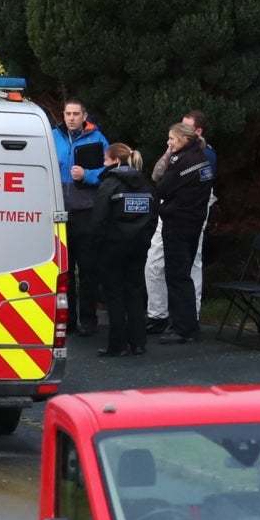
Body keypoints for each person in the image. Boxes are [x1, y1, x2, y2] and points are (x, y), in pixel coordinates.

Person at [145, 109, 216, 334]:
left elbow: (163, 185)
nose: (170, 142)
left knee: (183, 271)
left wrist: (164, 207)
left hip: (181, 220)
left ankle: (185, 322)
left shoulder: (195, 158)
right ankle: (167, 317)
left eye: (174, 137)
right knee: (164, 267)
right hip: (184, 218)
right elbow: (158, 175)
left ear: (194, 133)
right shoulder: (186, 156)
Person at [87, 143, 157, 357]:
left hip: (112, 248)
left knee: (114, 295)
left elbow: (98, 219)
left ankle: (117, 345)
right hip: (138, 247)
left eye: (106, 160)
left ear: (115, 161)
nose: (103, 164)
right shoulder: (145, 184)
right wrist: (144, 239)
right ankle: (138, 342)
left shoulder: (109, 184)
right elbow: (153, 217)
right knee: (135, 292)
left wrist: (96, 246)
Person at [52, 100, 108, 334]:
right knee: (63, 269)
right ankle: (68, 319)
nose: (72, 118)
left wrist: (87, 175)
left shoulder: (97, 138)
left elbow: (108, 170)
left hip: (86, 210)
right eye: (68, 113)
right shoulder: (53, 136)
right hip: (59, 212)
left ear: (84, 115)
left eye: (76, 114)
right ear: (63, 115)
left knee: (87, 269)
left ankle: (88, 319)